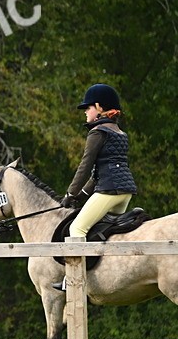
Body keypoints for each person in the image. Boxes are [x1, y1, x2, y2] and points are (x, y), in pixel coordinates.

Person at [53, 83, 138, 291]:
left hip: (109, 191)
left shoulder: (97, 132)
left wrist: (69, 193)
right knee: (100, 231)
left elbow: (85, 166)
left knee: (77, 228)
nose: (85, 113)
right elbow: (98, 173)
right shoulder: (119, 132)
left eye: (88, 108)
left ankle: (74, 279)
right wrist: (80, 196)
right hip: (125, 192)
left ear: (99, 107)